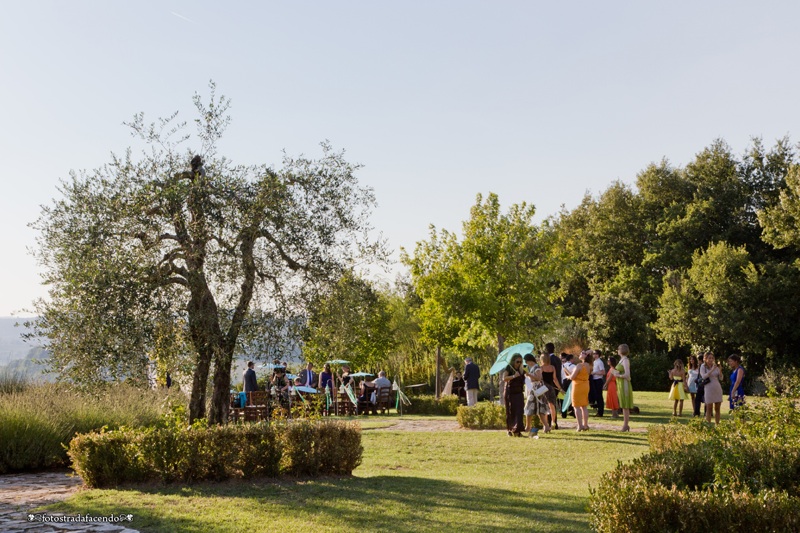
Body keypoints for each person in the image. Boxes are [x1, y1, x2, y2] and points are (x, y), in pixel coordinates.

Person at [523, 354, 551, 436]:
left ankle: (531, 427)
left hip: (537, 390)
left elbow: (539, 378)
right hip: (532, 389)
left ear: (529, 360)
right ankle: (544, 426)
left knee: (535, 409)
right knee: (532, 409)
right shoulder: (531, 368)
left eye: (526, 361)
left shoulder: (536, 367)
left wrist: (529, 375)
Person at [566, 351, 591, 431]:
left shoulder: (579, 365)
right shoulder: (589, 365)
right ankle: (585, 425)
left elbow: (573, 377)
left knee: (576, 406)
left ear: (585, 356)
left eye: (582, 353)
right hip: (585, 385)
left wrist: (568, 376)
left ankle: (580, 426)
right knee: (584, 406)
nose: (580, 354)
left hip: (578, 385)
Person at [611, 344, 634, 432]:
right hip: (620, 384)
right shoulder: (622, 360)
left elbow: (627, 375)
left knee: (625, 405)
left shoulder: (625, 360)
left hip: (624, 384)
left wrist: (618, 375)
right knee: (623, 405)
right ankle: (625, 424)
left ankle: (625, 425)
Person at [503, 354, 526, 437]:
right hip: (510, 392)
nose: (519, 363)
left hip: (519, 392)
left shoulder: (521, 369)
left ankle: (517, 430)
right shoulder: (509, 368)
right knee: (510, 411)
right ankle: (509, 429)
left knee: (519, 411)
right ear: (513, 361)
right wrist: (513, 376)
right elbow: (504, 378)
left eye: (520, 362)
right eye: (517, 361)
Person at [539, 353, 562, 430]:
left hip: (544, 388)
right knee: (552, 405)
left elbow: (540, 379)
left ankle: (545, 424)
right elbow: (555, 379)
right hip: (551, 388)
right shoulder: (552, 367)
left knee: (544, 406)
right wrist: (559, 388)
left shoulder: (541, 368)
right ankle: (553, 421)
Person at [700, 352, 723, 424]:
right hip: (709, 388)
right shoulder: (703, 366)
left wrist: (720, 370)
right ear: (705, 359)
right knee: (709, 408)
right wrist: (712, 370)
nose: (711, 360)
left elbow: (721, 378)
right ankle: (708, 425)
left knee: (717, 408)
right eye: (709, 358)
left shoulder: (716, 366)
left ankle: (717, 424)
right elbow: (704, 376)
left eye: (712, 358)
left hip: (717, 387)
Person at [590, 350, 605, 417]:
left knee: (599, 396)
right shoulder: (594, 362)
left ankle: (600, 412)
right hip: (594, 380)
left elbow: (603, 372)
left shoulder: (600, 362)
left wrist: (595, 373)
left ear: (599, 355)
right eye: (594, 354)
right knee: (595, 395)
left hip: (598, 380)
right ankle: (597, 409)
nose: (594, 355)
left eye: (596, 354)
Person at [560, 353, 576, 419]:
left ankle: (563, 412)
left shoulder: (562, 365)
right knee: (571, 396)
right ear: (571, 359)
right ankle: (572, 411)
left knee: (563, 397)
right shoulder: (573, 366)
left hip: (563, 381)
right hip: (570, 381)